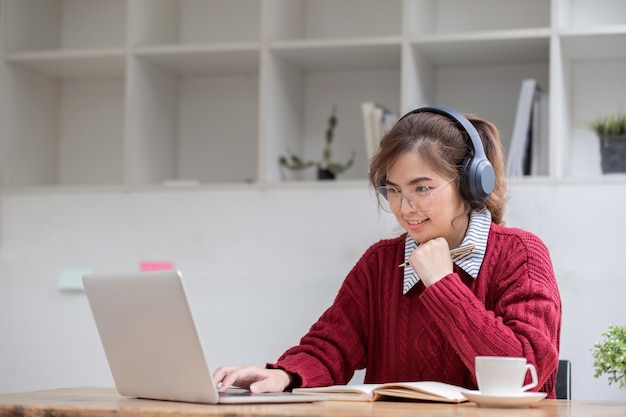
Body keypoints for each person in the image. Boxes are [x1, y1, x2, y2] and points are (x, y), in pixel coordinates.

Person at [214, 106, 562, 398]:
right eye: (393, 190)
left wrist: (442, 284)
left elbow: (523, 371)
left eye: (422, 188)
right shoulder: (381, 263)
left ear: (471, 183)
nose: (405, 207)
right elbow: (331, 345)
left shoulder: (522, 255)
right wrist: (284, 375)